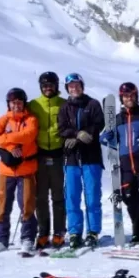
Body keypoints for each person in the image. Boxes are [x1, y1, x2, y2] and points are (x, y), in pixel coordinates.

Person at [99, 82, 139, 245]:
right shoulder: (118, 119)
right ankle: (138, 232)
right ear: (122, 98)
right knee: (130, 200)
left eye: (132, 95)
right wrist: (106, 138)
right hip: (126, 164)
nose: (129, 99)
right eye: (126, 96)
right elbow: (106, 136)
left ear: (136, 96)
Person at [57, 73, 105, 248]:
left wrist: (87, 133)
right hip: (71, 158)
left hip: (90, 157)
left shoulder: (92, 104)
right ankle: (75, 232)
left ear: (82, 87)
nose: (74, 88)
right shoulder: (64, 107)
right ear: (67, 89)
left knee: (92, 196)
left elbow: (99, 123)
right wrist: (76, 135)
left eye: (77, 85)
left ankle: (93, 232)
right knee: (72, 196)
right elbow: (61, 128)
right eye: (71, 86)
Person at [0, 87, 39, 253]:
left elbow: (28, 135)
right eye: (13, 102)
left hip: (26, 170)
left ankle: (28, 238)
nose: (16, 105)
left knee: (27, 205)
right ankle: (0, 239)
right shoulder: (3, 120)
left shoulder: (31, 119)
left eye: (19, 102)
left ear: (24, 103)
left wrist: (5, 140)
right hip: (6, 171)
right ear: (8, 104)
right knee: (3, 206)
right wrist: (10, 147)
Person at [27, 71, 66, 249]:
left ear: (56, 86)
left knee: (58, 196)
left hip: (58, 154)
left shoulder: (64, 104)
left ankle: (59, 232)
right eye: (45, 86)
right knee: (40, 197)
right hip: (40, 155)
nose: (48, 88)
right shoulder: (33, 105)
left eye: (51, 85)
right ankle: (43, 233)